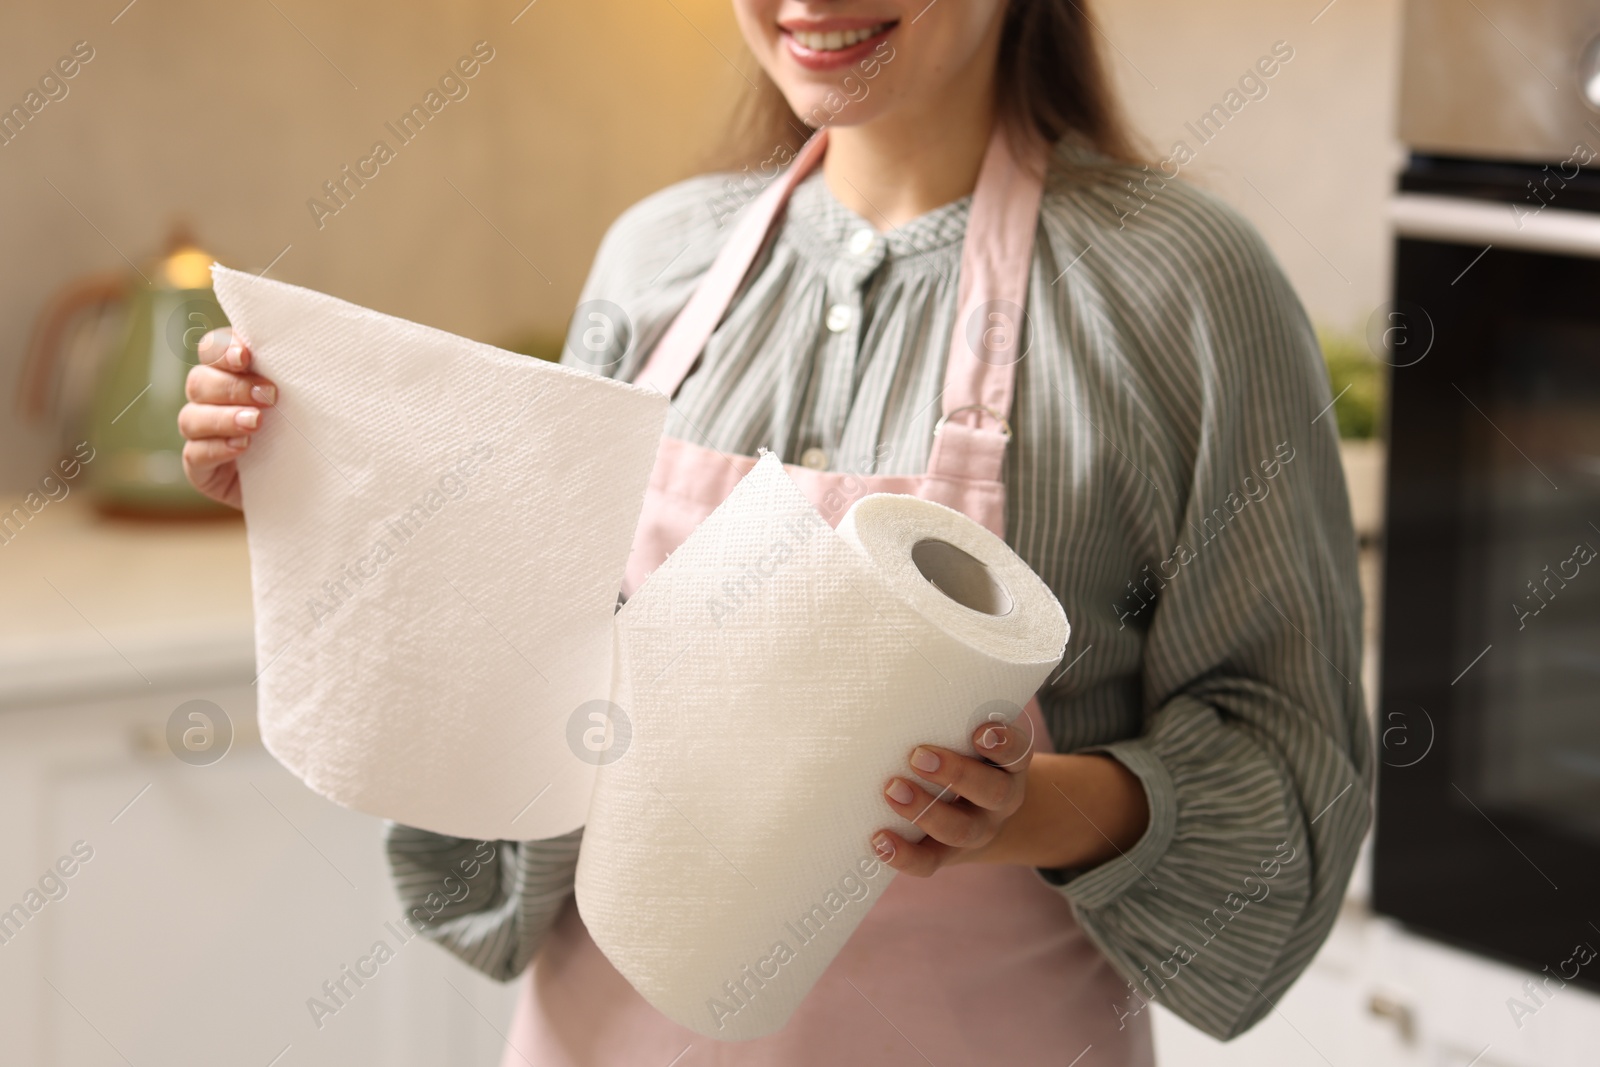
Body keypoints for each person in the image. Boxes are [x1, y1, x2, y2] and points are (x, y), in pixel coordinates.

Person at [179, 1, 1372, 1063]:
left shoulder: (1183, 288)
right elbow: (534, 667)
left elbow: (1292, 759)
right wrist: (326, 490)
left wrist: (1016, 810)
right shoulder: (656, 259)